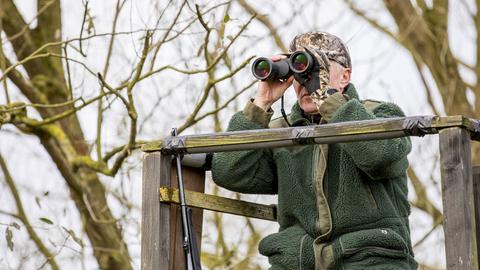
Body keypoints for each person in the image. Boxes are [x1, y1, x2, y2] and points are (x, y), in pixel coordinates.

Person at [211, 31, 417, 269]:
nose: (307, 82)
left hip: (371, 258)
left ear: (345, 76)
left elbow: (380, 156)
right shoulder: (281, 132)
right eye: (299, 72)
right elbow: (229, 172)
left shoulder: (381, 115)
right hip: (296, 262)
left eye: (318, 70)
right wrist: (260, 105)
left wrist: (329, 101)